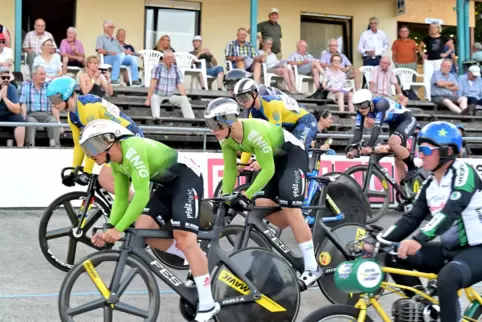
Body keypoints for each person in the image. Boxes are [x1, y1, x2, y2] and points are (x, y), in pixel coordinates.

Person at [83, 120, 220, 322]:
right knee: (143, 230)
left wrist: (119, 229)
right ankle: (195, 257)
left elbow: (140, 197)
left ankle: (208, 304)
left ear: (109, 142)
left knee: (183, 237)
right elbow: (121, 200)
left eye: (92, 147)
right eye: (86, 149)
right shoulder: (116, 163)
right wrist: (109, 228)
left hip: (187, 177)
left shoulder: (132, 150)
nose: (90, 154)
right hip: (167, 185)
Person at [204, 97, 322, 287]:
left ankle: (312, 266)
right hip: (273, 158)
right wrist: (226, 199)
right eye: (208, 123)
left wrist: (245, 195)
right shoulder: (225, 138)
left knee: (291, 210)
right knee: (261, 204)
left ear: (229, 121)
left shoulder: (254, 133)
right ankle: (302, 224)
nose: (211, 129)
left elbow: (268, 170)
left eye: (213, 123)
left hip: (291, 156)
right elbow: (230, 170)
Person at [375, 121, 482, 322]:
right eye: (418, 149)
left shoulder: (464, 173)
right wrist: (379, 241)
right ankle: (430, 309)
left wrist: (418, 239)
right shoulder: (430, 183)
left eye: (425, 149)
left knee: (448, 278)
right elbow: (411, 218)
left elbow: (450, 213)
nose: (419, 155)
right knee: (394, 255)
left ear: (446, 151)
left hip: (478, 250)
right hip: (449, 250)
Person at [46, 76, 143, 195]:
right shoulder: (72, 117)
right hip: (115, 142)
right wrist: (73, 172)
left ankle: (143, 207)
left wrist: (87, 172)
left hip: (129, 137)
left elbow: (95, 143)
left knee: (106, 181)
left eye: (55, 99)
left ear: (66, 95)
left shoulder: (88, 107)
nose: (53, 105)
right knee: (118, 189)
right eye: (50, 101)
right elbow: (79, 146)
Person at [347, 89, 418, 183]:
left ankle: (412, 167)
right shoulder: (361, 111)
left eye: (363, 105)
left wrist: (369, 146)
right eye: (357, 106)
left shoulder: (381, 104)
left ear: (370, 102)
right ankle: (405, 191)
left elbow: (377, 128)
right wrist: (354, 148)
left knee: (393, 142)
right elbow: (358, 130)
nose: (361, 109)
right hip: (394, 124)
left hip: (406, 118)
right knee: (397, 158)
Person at [233, 78, 317, 153]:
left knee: (297, 150)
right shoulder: (253, 113)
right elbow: (251, 140)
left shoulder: (272, 104)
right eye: (239, 99)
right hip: (292, 126)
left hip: (306, 121)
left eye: (244, 98)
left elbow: (275, 135)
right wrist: (242, 164)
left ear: (254, 94)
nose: (242, 102)